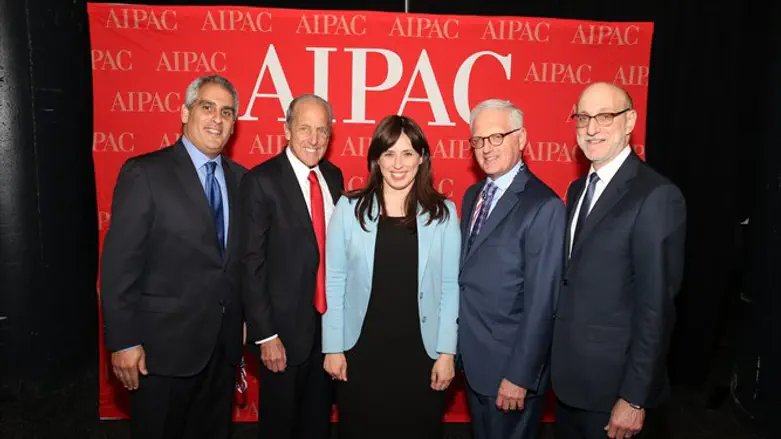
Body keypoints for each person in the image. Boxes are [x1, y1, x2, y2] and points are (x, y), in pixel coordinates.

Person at [100, 74, 246, 439]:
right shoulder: (145, 173)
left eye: (227, 112)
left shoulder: (243, 180)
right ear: (185, 112)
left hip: (221, 351)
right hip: (160, 354)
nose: (217, 118)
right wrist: (123, 342)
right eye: (207, 107)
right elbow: (119, 267)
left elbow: (239, 263)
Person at [551, 82, 687, 439]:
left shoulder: (656, 196)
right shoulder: (578, 189)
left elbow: (655, 308)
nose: (592, 128)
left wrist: (634, 398)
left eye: (605, 116)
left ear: (630, 122)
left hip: (615, 394)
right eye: (583, 117)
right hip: (569, 384)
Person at [322, 114, 460, 439]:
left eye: (408, 153)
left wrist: (446, 352)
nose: (398, 164)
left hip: (420, 357)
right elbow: (335, 280)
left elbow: (451, 288)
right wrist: (332, 346)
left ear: (422, 157)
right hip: (361, 354)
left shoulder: (444, 213)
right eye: (389, 153)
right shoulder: (349, 208)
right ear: (376, 159)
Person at [458, 99, 565, 439]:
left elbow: (543, 303)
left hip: (510, 372)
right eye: (479, 140)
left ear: (521, 139)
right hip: (475, 361)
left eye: (496, 137)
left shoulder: (544, 206)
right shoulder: (473, 194)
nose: (486, 148)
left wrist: (520, 376)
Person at [240, 94, 344, 439]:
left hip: (327, 332)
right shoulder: (261, 181)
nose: (314, 140)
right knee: (279, 427)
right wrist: (266, 335)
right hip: (282, 337)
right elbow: (250, 263)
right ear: (286, 130)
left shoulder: (333, 176)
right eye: (304, 129)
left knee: (317, 424)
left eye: (322, 131)